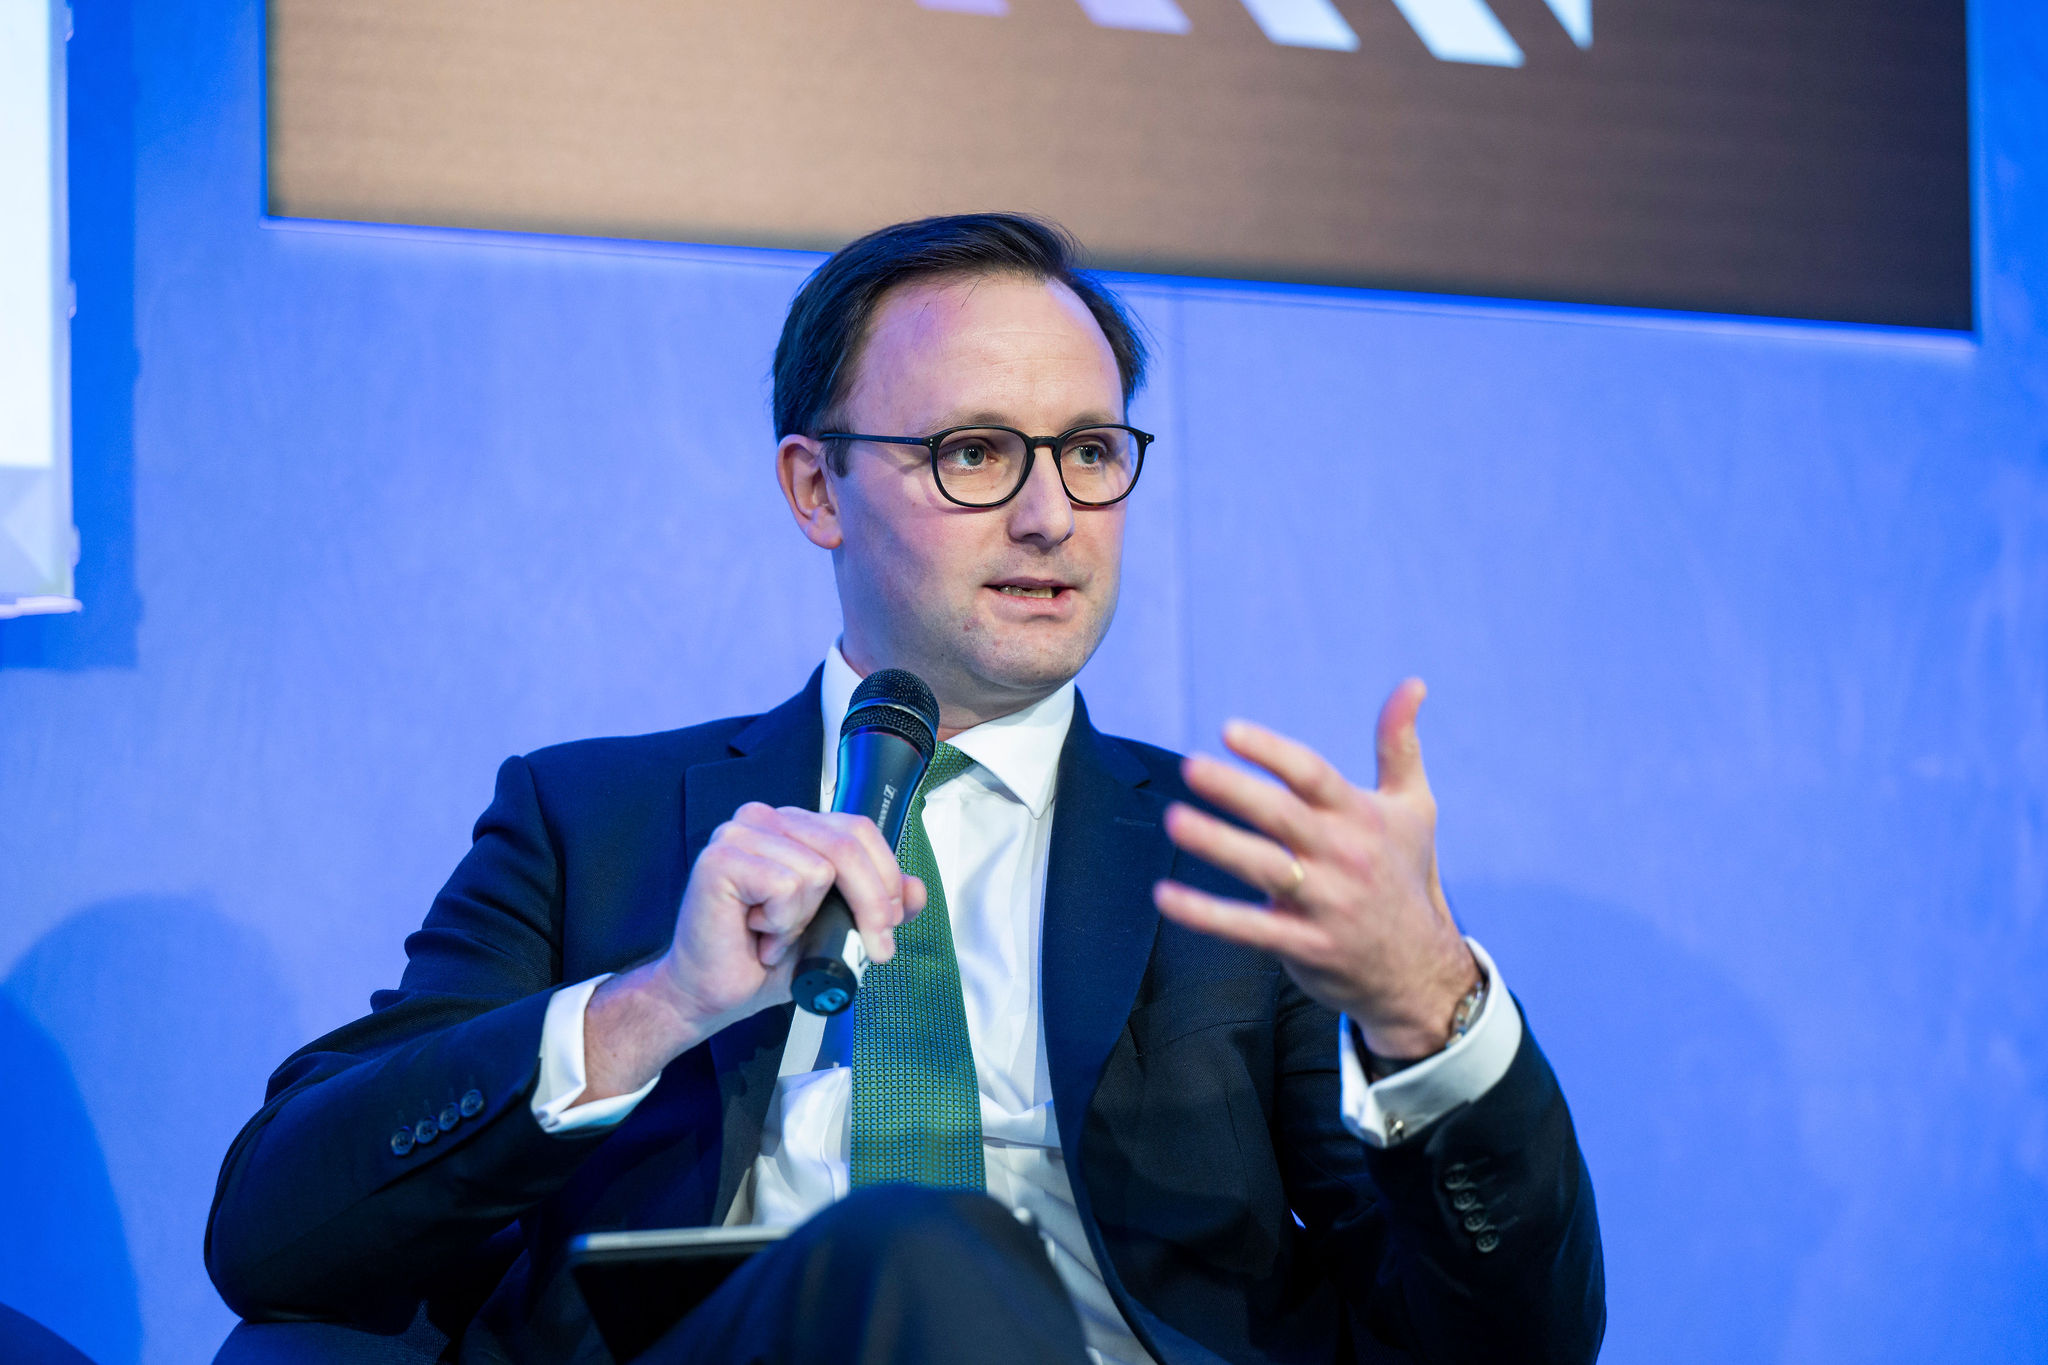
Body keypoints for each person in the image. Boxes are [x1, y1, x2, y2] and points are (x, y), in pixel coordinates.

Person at [206, 214, 1603, 1365]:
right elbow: (275, 1231)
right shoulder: (593, 820)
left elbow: (1513, 1346)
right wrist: (658, 1005)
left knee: (932, 1252)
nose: (1050, 516)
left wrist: (1430, 1012)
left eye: (1091, 452)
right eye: (974, 453)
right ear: (815, 489)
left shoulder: (1236, 861)